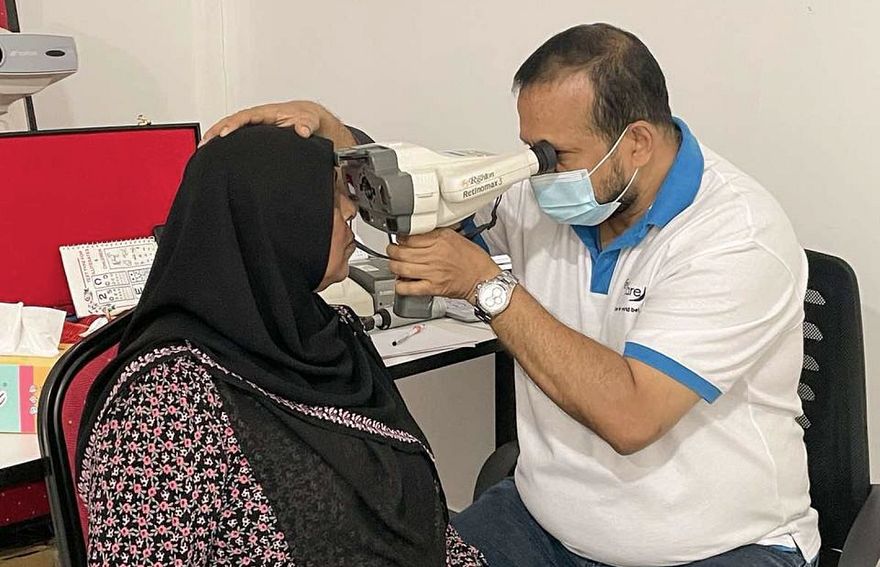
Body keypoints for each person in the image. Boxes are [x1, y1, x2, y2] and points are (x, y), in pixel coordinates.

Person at [202, 23, 819, 567]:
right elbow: (426, 195)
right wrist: (340, 136)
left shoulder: (735, 235)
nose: (539, 170)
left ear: (635, 143)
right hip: (545, 523)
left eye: (557, 154)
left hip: (716, 547)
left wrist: (487, 286)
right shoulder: (543, 193)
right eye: (532, 150)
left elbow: (632, 417)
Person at [76, 126, 486, 566]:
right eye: (330, 197)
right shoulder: (166, 402)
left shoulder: (330, 336)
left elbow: (427, 523)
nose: (351, 210)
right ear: (277, 216)